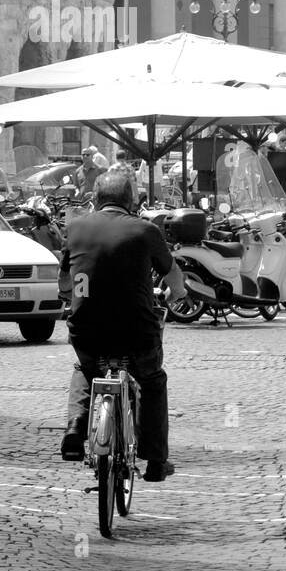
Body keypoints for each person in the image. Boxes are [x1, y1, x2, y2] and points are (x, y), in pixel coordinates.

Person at [57, 172, 186, 481]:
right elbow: (174, 279)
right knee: (152, 381)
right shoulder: (145, 230)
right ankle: (155, 461)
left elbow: (65, 282)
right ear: (132, 202)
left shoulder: (74, 228)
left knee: (86, 369)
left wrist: (73, 294)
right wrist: (177, 293)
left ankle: (76, 425)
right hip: (136, 331)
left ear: (95, 200)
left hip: (87, 330)